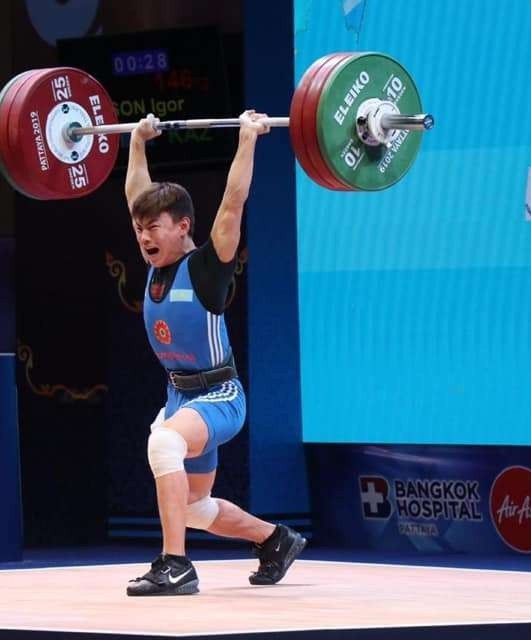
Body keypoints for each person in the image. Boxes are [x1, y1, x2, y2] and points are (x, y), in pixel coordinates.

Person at [123, 111, 306, 596]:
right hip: (181, 399)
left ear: (183, 226)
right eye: (139, 229)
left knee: (163, 444)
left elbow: (233, 201)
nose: (143, 237)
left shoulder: (207, 266)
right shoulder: (155, 263)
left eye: (153, 228)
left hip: (220, 397)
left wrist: (248, 138)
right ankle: (275, 539)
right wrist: (137, 141)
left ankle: (176, 565)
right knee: (193, 508)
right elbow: (135, 192)